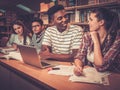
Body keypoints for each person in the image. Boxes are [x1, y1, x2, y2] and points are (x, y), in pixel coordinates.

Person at [74, 7, 120, 76]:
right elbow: (80, 56)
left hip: (113, 77)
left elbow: (101, 66)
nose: (88, 22)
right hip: (93, 75)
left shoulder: (116, 39)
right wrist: (78, 66)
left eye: (91, 20)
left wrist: (96, 41)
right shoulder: (88, 36)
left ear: (101, 22)